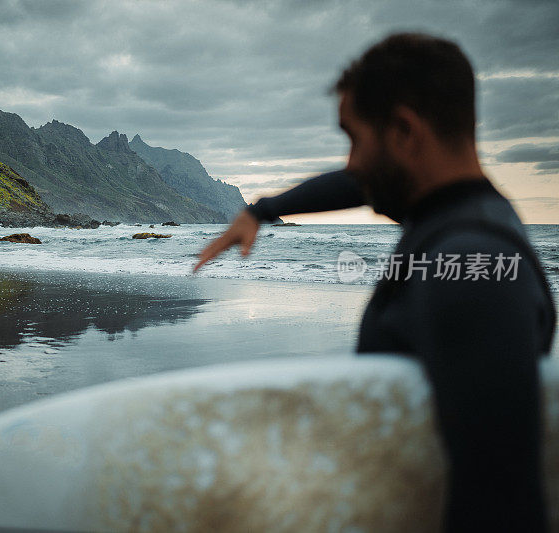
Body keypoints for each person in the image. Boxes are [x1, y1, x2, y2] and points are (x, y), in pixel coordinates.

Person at [195, 33, 556, 531]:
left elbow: (502, 500)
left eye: (354, 139)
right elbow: (358, 181)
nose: (350, 163)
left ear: (405, 132)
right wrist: (261, 211)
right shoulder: (458, 215)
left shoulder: (473, 264)